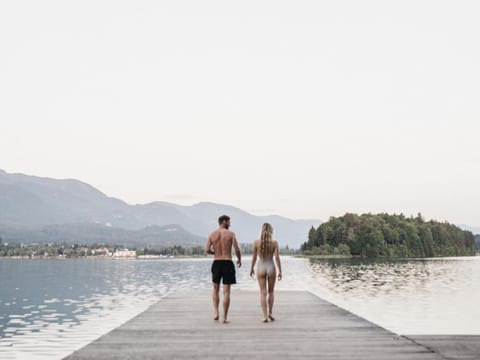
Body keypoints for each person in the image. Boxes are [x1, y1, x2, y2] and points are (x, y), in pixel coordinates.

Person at [205, 215, 241, 323]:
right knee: (226, 292)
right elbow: (237, 249)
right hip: (227, 262)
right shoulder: (231, 234)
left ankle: (216, 313)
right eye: (229, 221)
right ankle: (224, 317)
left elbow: (207, 249)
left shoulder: (212, 234)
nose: (230, 223)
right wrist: (239, 259)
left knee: (215, 289)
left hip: (216, 262)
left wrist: (215, 252)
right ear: (223, 221)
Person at [249, 222, 282, 322]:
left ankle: (265, 316)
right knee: (271, 292)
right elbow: (277, 258)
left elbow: (254, 258)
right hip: (271, 267)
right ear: (271, 231)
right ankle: (270, 313)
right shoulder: (275, 243)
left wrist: (251, 268)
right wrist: (280, 271)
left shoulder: (256, 243)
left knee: (263, 293)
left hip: (261, 267)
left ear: (262, 230)